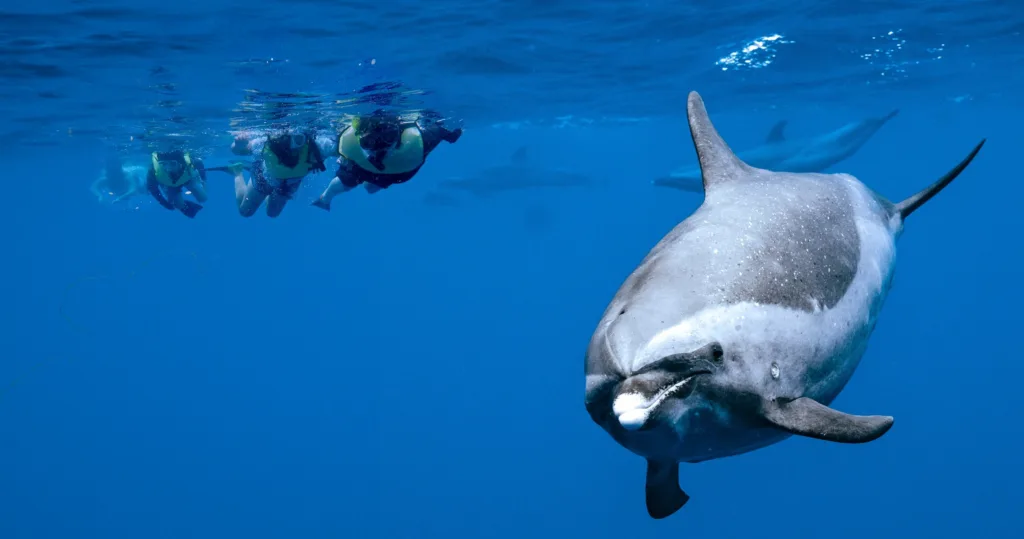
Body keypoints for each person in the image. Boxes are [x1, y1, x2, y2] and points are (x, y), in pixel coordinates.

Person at [311, 109, 463, 211]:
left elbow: (447, 132)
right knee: (352, 180)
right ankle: (325, 199)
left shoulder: (420, 139)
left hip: (394, 172)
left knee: (366, 185)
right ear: (360, 137)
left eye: (387, 137)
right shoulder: (423, 139)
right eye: (369, 142)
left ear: (399, 134)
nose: (379, 147)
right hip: (393, 170)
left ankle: (326, 198)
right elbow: (449, 133)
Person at [228, 129, 335, 218]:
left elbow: (340, 148)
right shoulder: (267, 141)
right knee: (246, 212)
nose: (293, 144)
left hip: (288, 185)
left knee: (272, 214)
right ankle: (237, 172)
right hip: (263, 177)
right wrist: (239, 144)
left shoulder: (318, 145)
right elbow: (238, 151)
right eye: (288, 138)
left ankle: (270, 193)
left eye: (298, 138)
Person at [146, 150, 209, 219]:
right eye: (163, 164)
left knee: (203, 198)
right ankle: (183, 205)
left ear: (180, 163)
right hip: (169, 185)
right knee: (179, 205)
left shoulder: (188, 163)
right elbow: (152, 188)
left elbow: (199, 162)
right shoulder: (153, 170)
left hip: (188, 179)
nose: (168, 168)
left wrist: (203, 180)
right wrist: (164, 203)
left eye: (172, 164)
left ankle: (195, 184)